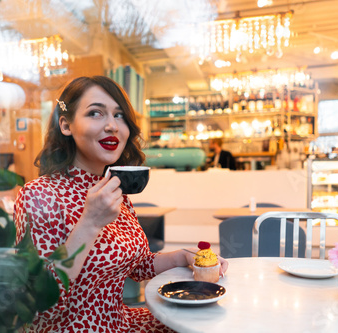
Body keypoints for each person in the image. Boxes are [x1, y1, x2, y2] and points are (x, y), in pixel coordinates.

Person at [14, 76, 228, 333]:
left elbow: (137, 265)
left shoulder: (114, 189)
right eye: (95, 113)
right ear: (66, 125)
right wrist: (90, 223)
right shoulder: (39, 194)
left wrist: (181, 256)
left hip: (119, 323)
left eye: (119, 116)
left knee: (211, 322)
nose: (112, 126)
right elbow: (37, 307)